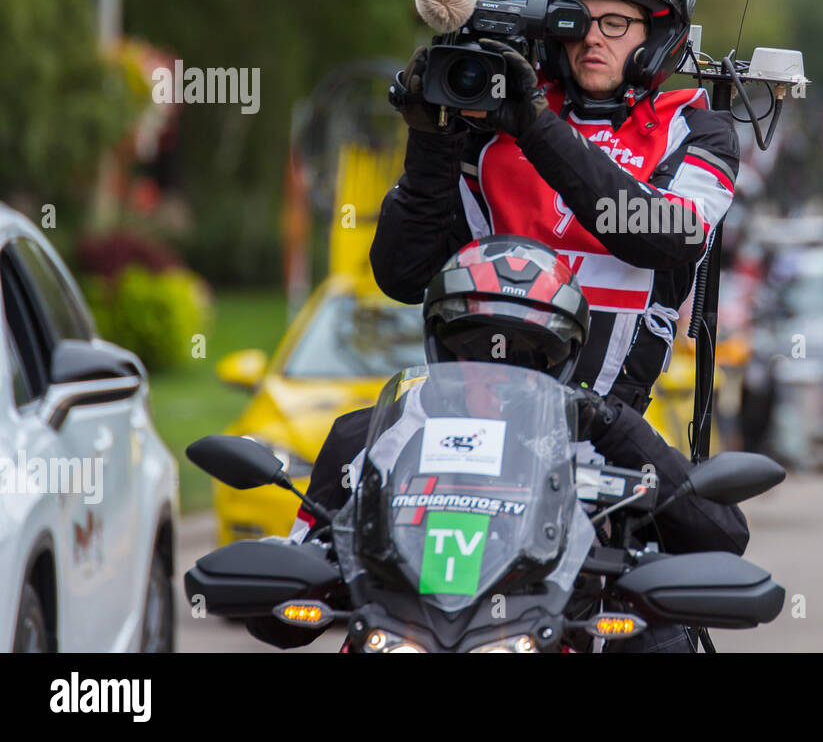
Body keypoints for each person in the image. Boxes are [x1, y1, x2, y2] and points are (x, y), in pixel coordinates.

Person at [247, 237, 748, 652]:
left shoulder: (604, 436)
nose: (494, 375)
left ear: (562, 362)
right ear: (437, 345)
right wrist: (286, 577)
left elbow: (723, 536)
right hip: (399, 638)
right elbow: (290, 603)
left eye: (527, 357)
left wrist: (617, 427)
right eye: (470, 349)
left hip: (547, 636)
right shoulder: (367, 435)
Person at [375, 0, 740, 417]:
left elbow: (663, 235)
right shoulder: (492, 123)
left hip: (605, 431)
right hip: (470, 419)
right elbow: (402, 277)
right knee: (346, 456)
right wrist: (428, 138)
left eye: (615, 23)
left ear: (656, 32)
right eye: (575, 19)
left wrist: (535, 128)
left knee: (711, 501)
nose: (593, 38)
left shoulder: (696, 128)